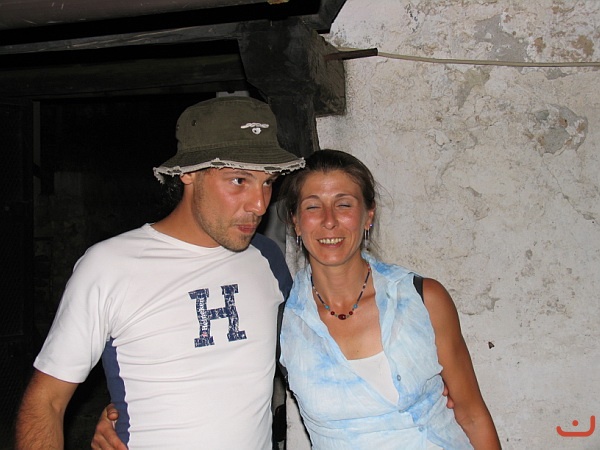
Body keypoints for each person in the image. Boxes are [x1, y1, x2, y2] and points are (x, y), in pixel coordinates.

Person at [15, 96, 305, 450]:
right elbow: (46, 401)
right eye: (239, 180)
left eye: (268, 182)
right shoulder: (110, 266)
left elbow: (308, 352)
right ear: (188, 173)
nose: (259, 204)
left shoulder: (267, 258)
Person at [277, 149, 501, 449]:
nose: (329, 221)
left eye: (344, 204)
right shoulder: (284, 324)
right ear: (296, 221)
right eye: (313, 206)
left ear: (368, 216)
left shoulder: (423, 299)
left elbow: (472, 415)